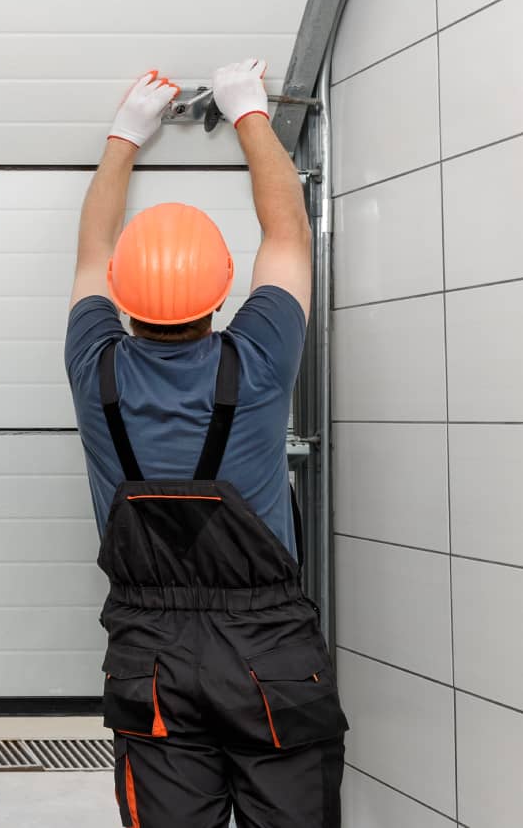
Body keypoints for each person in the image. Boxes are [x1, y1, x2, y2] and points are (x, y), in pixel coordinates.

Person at [65, 62, 349, 827]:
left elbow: (92, 249)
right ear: (221, 293)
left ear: (122, 297)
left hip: (150, 655)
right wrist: (249, 112)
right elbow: (287, 229)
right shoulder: (256, 360)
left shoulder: (95, 370)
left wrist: (126, 132)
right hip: (270, 653)